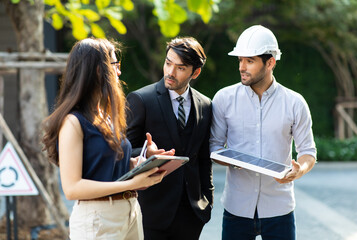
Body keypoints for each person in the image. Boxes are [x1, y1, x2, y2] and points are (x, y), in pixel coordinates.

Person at [41, 38, 172, 239]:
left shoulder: (107, 115)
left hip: (129, 211)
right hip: (97, 218)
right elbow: (72, 188)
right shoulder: (72, 122)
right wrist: (131, 184)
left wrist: (142, 162)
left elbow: (106, 166)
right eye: (114, 65)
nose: (119, 72)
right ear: (96, 70)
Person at [210, 25, 317, 240]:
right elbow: (214, 146)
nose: (242, 67)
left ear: (270, 63)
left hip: (279, 208)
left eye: (250, 61)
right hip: (236, 207)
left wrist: (300, 170)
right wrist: (233, 160)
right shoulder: (223, 99)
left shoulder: (295, 103)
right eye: (240, 60)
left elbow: (308, 152)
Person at [126, 37, 214, 239]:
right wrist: (146, 153)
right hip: (152, 212)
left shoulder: (205, 105)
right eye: (168, 63)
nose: (170, 72)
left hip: (192, 214)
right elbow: (123, 151)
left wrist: (207, 201)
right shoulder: (141, 99)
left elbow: (203, 158)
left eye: (180, 68)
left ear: (196, 72)